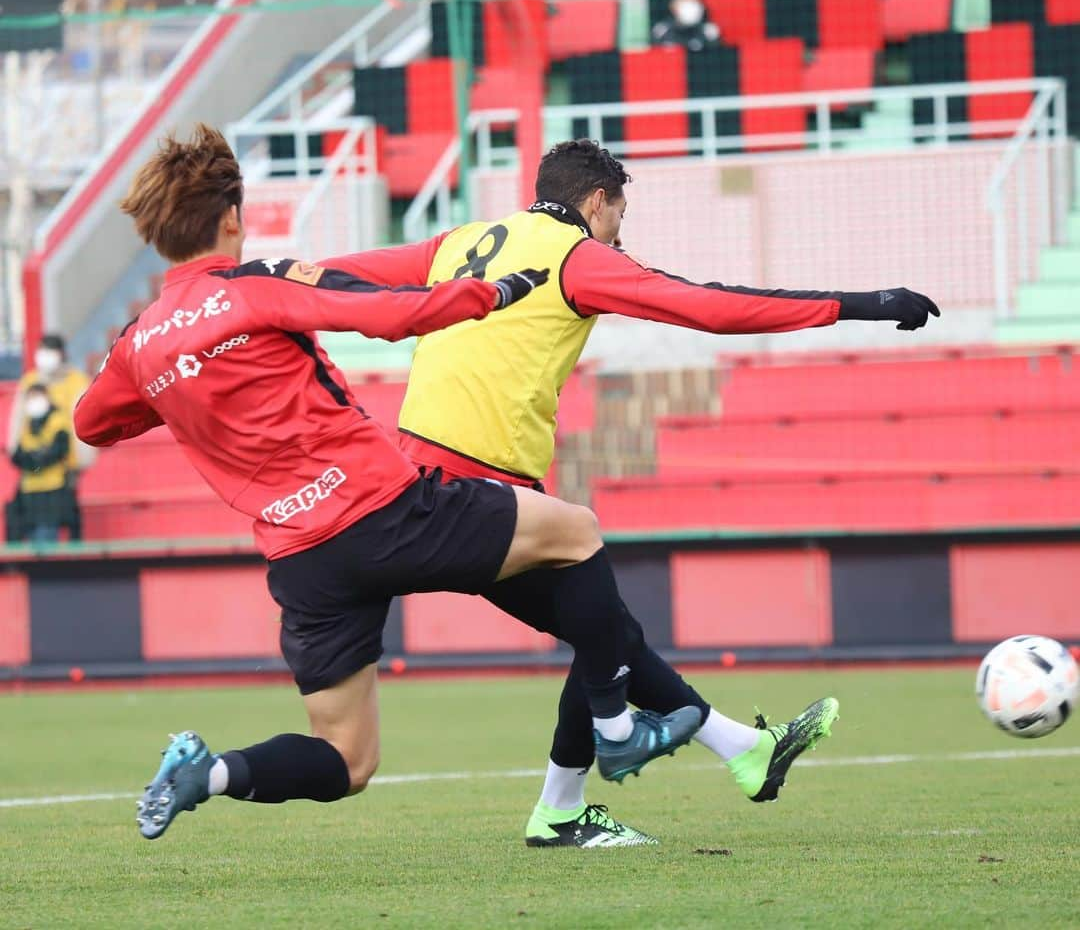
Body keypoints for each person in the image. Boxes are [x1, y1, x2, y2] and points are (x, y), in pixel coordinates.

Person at [73, 125, 701, 842]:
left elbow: (93, 424)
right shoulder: (258, 286)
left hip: (302, 561)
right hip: (384, 511)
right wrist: (491, 293)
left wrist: (177, 391)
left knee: (346, 760)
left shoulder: (138, 343)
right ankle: (616, 729)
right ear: (232, 220)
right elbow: (390, 310)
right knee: (576, 531)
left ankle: (209, 773)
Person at [321, 137, 940, 847]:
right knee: (599, 611)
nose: (621, 230)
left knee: (604, 631)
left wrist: (249, 279)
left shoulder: (463, 241)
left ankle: (660, 777)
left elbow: (345, 273)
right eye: (619, 212)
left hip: (432, 484)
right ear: (596, 201)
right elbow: (710, 306)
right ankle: (638, 740)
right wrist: (863, 303)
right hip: (471, 491)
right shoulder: (576, 255)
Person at [6, 332, 91, 539]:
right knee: (22, 518)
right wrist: (15, 451)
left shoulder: (77, 382)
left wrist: (81, 461)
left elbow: (83, 424)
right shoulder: (30, 381)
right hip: (32, 468)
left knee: (55, 518)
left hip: (66, 466)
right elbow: (17, 421)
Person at [5, 382, 73, 542]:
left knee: (46, 537)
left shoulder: (58, 420)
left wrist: (35, 459)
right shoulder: (26, 423)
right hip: (29, 490)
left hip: (52, 488)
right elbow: (17, 454)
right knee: (30, 537)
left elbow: (59, 450)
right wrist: (34, 459)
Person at [651, 0, 721, 51]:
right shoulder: (661, 30)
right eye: (685, 1)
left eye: (693, 1)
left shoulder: (709, 31)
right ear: (673, 6)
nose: (690, 6)